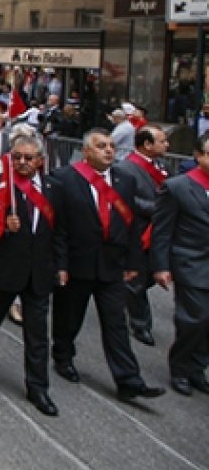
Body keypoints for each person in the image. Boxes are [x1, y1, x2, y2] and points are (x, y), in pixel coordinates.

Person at [49, 129, 164, 401]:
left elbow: (131, 224)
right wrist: (60, 265)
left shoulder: (123, 180)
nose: (109, 150)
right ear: (87, 151)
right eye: (101, 146)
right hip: (78, 264)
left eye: (111, 146)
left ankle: (128, 380)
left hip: (112, 265)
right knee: (69, 317)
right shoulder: (66, 179)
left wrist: (134, 260)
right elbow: (59, 228)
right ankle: (63, 356)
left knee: (116, 324)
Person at [0, 134, 60, 416]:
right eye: (16, 157)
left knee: (38, 332)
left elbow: (60, 232)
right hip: (4, 267)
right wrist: (3, 224)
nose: (21, 162)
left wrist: (61, 266)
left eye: (28, 158)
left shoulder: (54, 188)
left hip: (39, 270)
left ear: (40, 161)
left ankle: (38, 387)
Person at [151, 131, 209, 396]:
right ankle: (180, 367)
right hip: (190, 263)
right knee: (194, 318)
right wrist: (161, 266)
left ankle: (198, 368)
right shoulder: (177, 187)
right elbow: (162, 230)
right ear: (198, 156)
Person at [117, 126, 170, 347]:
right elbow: (127, 200)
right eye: (162, 141)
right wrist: (158, 209)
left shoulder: (162, 166)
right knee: (137, 281)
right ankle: (140, 324)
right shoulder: (126, 168)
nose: (167, 145)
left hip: (160, 232)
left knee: (148, 278)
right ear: (147, 144)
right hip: (139, 233)